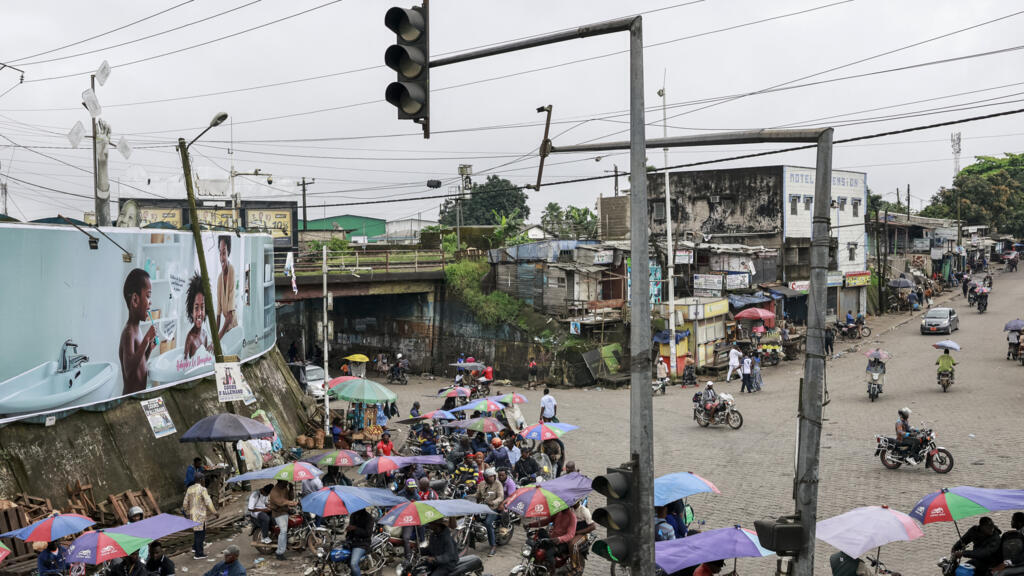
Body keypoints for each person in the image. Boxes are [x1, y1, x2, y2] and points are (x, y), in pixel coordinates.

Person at [119, 268, 156, 395]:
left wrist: (149, 349)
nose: (150, 302)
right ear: (135, 300)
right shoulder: (129, 333)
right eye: (148, 296)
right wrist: (146, 340)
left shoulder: (137, 329)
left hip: (139, 396)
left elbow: (139, 363)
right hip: (129, 400)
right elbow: (129, 370)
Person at [183, 477, 217, 559]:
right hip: (200, 515)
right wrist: (215, 512)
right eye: (203, 479)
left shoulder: (190, 489)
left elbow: (185, 502)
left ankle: (195, 548)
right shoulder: (202, 489)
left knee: (197, 533)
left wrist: (186, 512)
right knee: (200, 534)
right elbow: (208, 502)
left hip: (192, 515)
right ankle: (199, 554)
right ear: (201, 479)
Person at [476, 467, 505, 556]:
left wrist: (493, 502)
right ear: (485, 477)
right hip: (483, 506)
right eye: (489, 477)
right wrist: (468, 497)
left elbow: (501, 497)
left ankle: (493, 546)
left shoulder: (498, 484)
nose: (492, 478)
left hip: (494, 508)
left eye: (493, 476)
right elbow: (477, 495)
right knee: (474, 518)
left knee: (488, 523)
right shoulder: (481, 484)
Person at [184, 274, 212, 360]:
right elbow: (185, 367)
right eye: (196, 308)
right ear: (191, 311)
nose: (200, 313)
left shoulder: (205, 335)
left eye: (202, 307)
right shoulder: (190, 338)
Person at [268, 479, 297, 561]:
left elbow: (291, 497)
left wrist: (291, 488)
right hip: (278, 513)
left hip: (285, 511)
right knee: (283, 530)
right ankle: (279, 552)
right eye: (285, 482)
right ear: (280, 481)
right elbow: (281, 502)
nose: (287, 482)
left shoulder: (285, 488)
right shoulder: (274, 491)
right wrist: (290, 503)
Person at [216, 236, 237, 339]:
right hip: (225, 329)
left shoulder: (232, 270)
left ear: (228, 252)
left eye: (224, 253)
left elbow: (229, 316)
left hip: (233, 328)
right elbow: (218, 314)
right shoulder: (219, 278)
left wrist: (218, 337)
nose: (221, 258)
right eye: (220, 253)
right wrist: (215, 338)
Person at [346, 509, 374, 576]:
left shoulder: (369, 518)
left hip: (362, 544)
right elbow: (351, 529)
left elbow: (368, 533)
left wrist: (355, 528)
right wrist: (348, 531)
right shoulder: (353, 515)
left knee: (353, 564)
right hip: (351, 541)